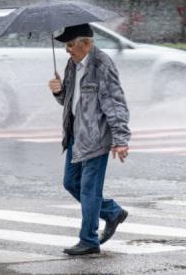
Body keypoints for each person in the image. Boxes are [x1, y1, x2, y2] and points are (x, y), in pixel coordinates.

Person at [48, 23, 130, 256]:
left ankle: (89, 240)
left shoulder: (101, 64)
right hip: (76, 135)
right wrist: (57, 91)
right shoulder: (72, 65)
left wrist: (121, 138)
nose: (67, 50)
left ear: (87, 43)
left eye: (71, 45)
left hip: (96, 137)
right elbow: (68, 101)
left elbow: (115, 103)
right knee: (70, 183)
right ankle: (112, 212)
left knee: (89, 189)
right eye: (66, 45)